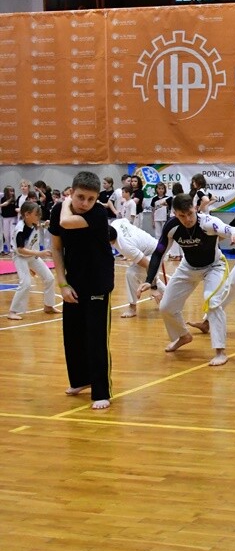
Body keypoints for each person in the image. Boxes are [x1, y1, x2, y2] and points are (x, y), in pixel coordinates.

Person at [140, 193, 235, 367]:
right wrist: (150, 280)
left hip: (214, 267)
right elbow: (159, 253)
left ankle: (220, 351)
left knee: (211, 300)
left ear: (195, 209)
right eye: (182, 216)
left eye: (190, 213)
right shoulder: (171, 227)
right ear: (175, 213)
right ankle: (183, 336)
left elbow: (228, 229)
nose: (187, 219)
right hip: (187, 267)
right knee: (166, 306)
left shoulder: (207, 223)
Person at [48, 171, 115, 410]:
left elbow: (67, 223)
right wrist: (63, 283)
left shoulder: (98, 213)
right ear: (72, 192)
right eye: (80, 197)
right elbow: (56, 248)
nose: (85, 203)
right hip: (74, 280)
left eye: (90, 198)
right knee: (73, 335)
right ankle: (80, 380)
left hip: (98, 280)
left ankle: (101, 391)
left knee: (96, 337)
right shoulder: (58, 211)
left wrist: (66, 202)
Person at [6, 201, 58, 320]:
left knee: (49, 278)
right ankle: (13, 311)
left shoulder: (32, 223)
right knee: (25, 283)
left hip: (32, 256)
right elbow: (21, 250)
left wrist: (45, 224)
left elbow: (37, 227)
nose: (39, 217)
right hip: (20, 257)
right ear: (27, 214)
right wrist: (39, 253)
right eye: (36, 214)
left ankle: (48, 306)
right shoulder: (20, 229)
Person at [107, 216, 160, 318]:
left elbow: (148, 265)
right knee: (138, 274)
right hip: (150, 246)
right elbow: (125, 220)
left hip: (155, 253)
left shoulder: (124, 246)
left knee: (131, 273)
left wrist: (153, 287)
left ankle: (132, 308)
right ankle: (167, 295)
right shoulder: (116, 223)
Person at [0, 186, 17, 255]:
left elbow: (6, 204)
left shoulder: (14, 199)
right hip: (5, 218)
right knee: (6, 234)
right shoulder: (3, 199)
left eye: (13, 191)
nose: (12, 192)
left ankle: (12, 249)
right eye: (10, 191)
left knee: (12, 233)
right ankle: (8, 248)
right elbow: (5, 204)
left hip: (13, 218)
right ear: (6, 192)